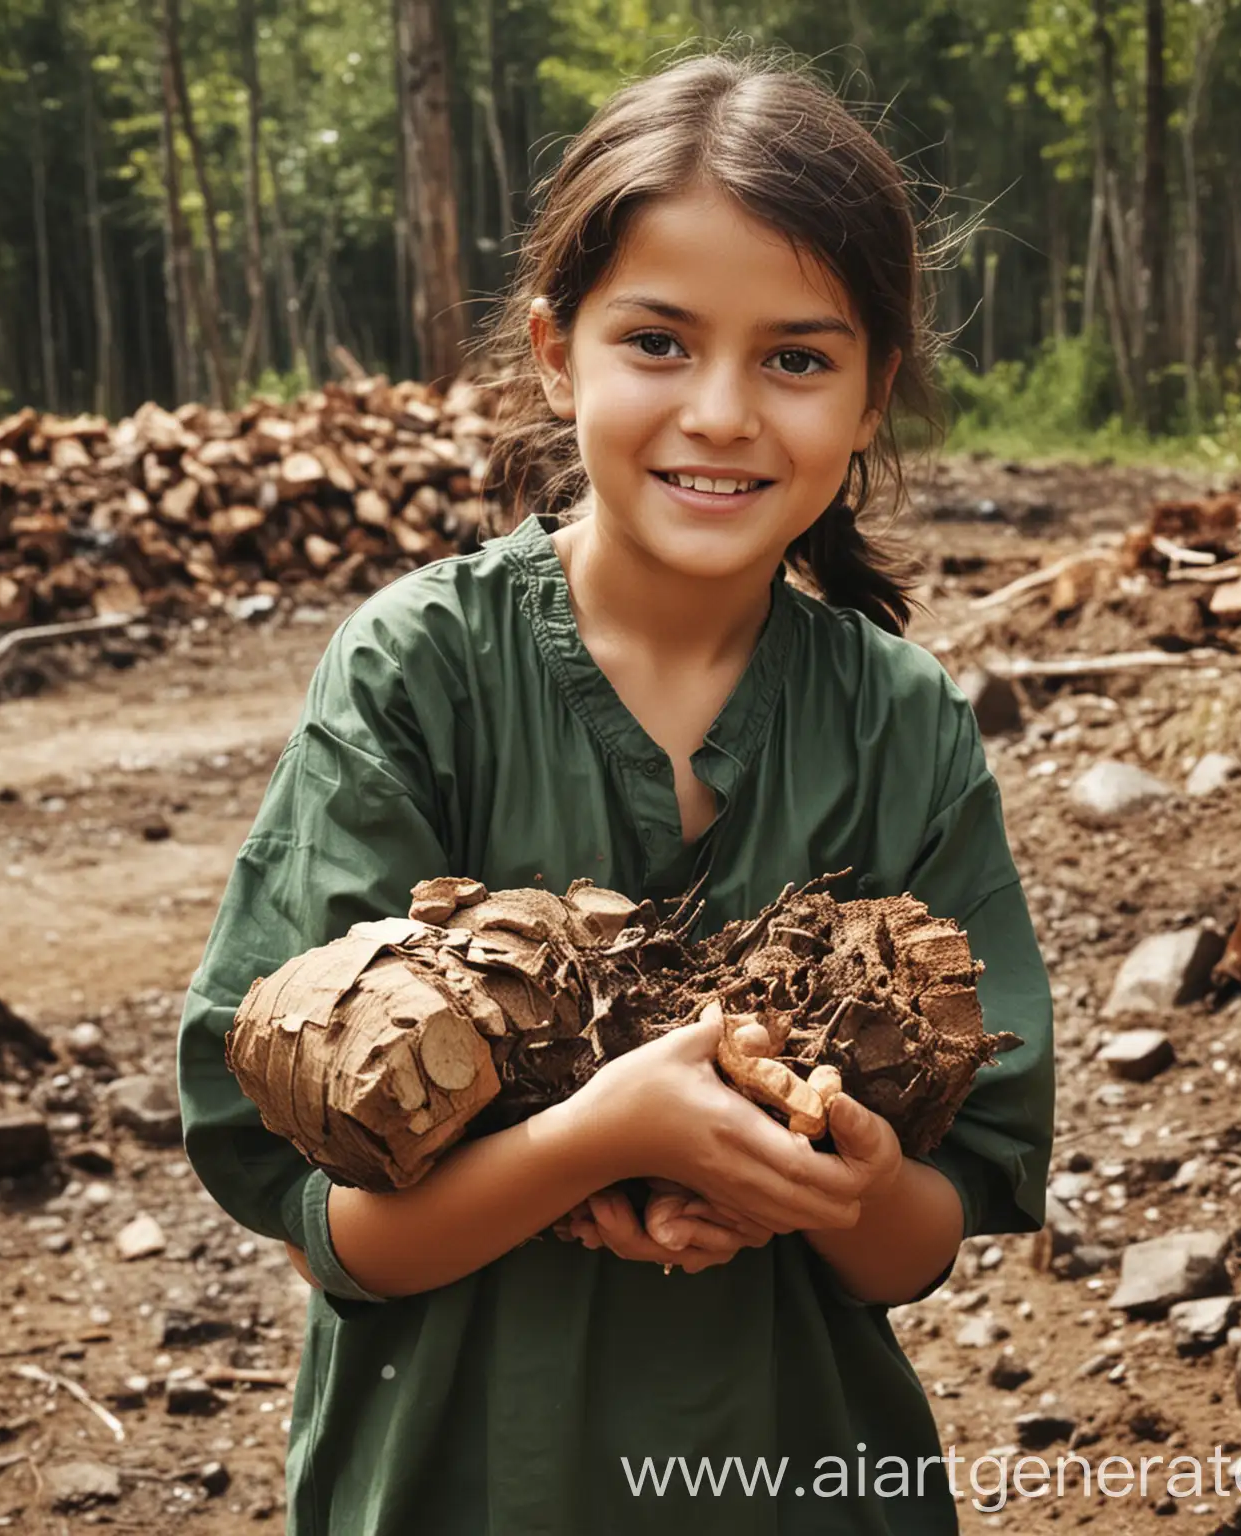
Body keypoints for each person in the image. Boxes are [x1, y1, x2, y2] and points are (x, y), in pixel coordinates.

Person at [177, 48, 1054, 1536]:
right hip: (467, 1482)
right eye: (657, 341)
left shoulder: (901, 724)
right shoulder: (418, 678)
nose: (721, 411)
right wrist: (602, 1137)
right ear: (552, 349)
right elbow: (329, 1222)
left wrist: (831, 1185)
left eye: (795, 357)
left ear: (872, 390)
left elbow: (924, 1238)